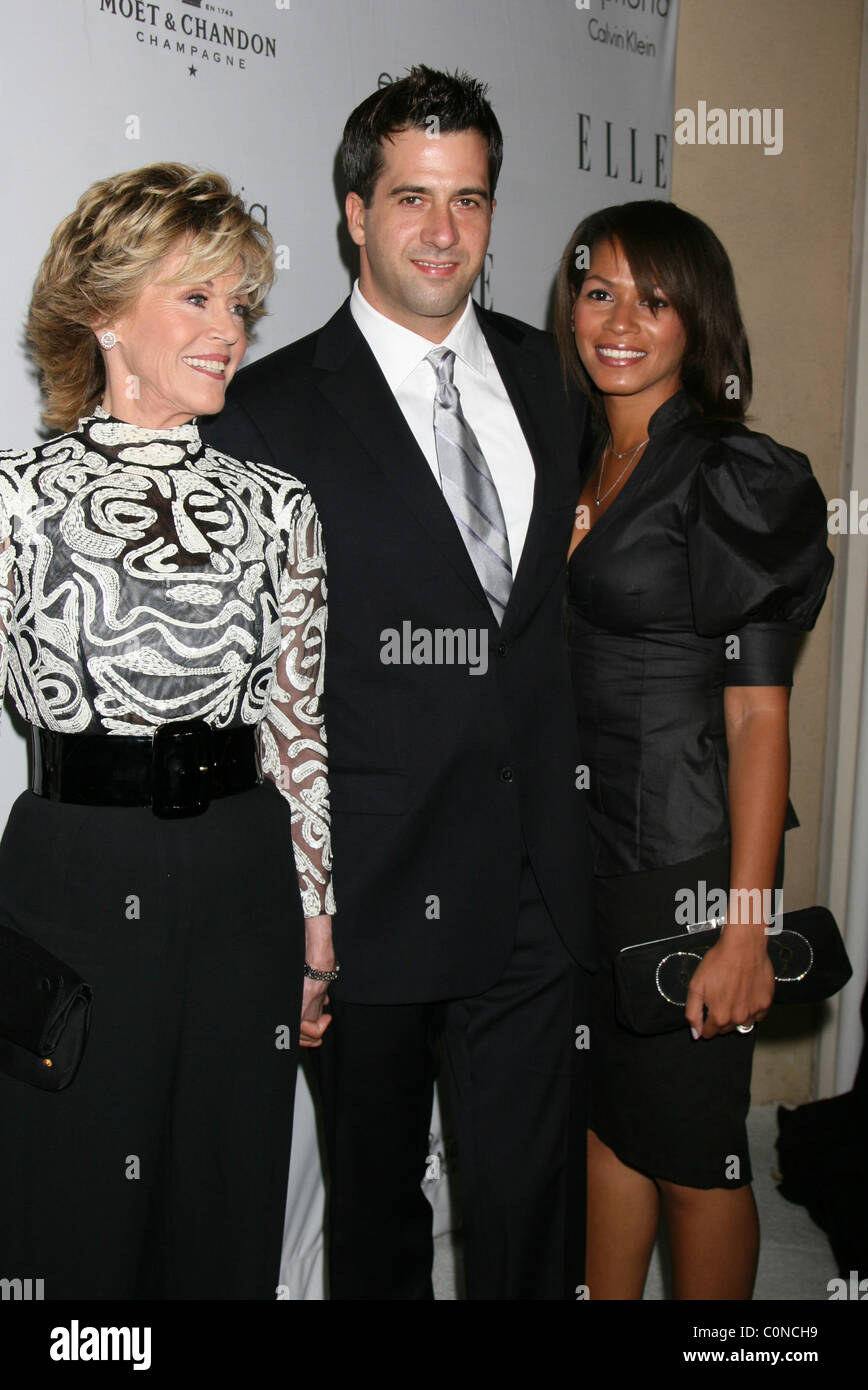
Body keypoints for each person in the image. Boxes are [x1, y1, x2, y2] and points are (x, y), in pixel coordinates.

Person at [204, 66, 597, 1301]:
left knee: (533, 1206)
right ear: (353, 212)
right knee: (375, 1216)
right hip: (364, 892)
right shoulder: (262, 414)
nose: (443, 232)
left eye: (468, 201)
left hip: (536, 877)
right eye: (412, 198)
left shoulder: (553, 381)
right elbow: (252, 689)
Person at [0, 163, 335, 1299]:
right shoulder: (13, 498)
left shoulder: (280, 506)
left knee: (226, 1200)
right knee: (73, 1209)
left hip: (242, 872)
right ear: (104, 311)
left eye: (240, 303)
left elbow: (296, 724)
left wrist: (317, 919)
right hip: (73, 878)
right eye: (195, 298)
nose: (228, 329)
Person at [554, 199, 833, 1299]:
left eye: (654, 298)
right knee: (615, 1128)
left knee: (699, 1157)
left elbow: (759, 717)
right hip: (576, 865)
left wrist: (744, 926)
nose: (621, 320)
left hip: (683, 864)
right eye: (599, 290)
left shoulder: (732, 474)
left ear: (696, 320)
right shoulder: (576, 460)